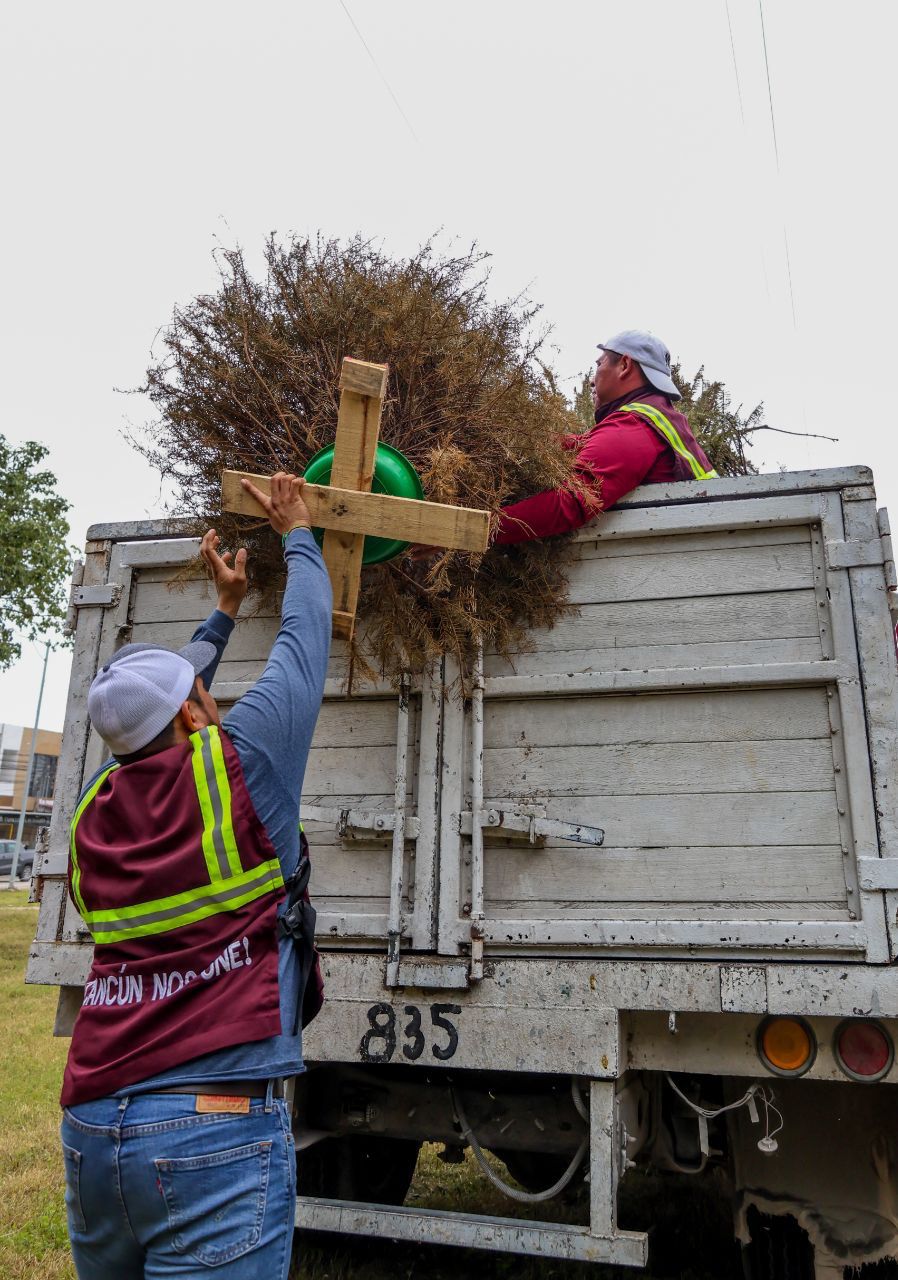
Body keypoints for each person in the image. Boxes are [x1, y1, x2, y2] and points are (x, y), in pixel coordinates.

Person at [59, 473, 331, 1280]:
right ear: (190, 712)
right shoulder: (243, 768)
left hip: (93, 1126)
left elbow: (143, 707)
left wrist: (224, 612)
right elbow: (305, 643)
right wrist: (301, 532)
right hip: (211, 1129)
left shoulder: (92, 812)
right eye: (200, 695)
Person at [493, 330, 717, 545]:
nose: (592, 380)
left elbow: (571, 501)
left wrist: (487, 526)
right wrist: (524, 438)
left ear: (624, 365)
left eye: (599, 364)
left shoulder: (634, 427)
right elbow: (584, 444)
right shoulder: (655, 418)